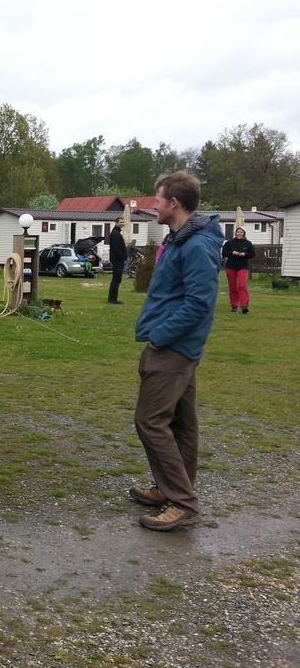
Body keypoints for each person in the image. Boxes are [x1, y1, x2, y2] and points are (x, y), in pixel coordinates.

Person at [130, 171, 222, 531]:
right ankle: (170, 490)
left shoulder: (197, 245)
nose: (154, 204)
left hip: (173, 347)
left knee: (150, 420)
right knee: (181, 423)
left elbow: (200, 302)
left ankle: (182, 502)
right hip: (176, 344)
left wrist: (161, 336)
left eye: (159, 198)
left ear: (175, 203)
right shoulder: (182, 239)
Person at [221, 227, 255, 314]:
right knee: (232, 287)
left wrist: (245, 254)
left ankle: (244, 306)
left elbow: (252, 254)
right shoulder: (229, 243)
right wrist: (232, 253)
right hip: (231, 266)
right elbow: (224, 253)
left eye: (241, 232)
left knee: (242, 285)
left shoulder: (248, 243)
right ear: (235, 233)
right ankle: (234, 306)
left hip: (242, 266)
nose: (239, 233)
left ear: (244, 234)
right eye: (238, 232)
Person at [107, 218, 128, 304]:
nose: (122, 223)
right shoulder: (115, 234)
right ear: (116, 223)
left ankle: (112, 298)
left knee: (117, 279)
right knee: (116, 279)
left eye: (123, 222)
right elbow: (116, 248)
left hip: (117, 259)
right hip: (117, 260)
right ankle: (112, 299)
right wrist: (123, 256)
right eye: (120, 222)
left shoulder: (117, 233)